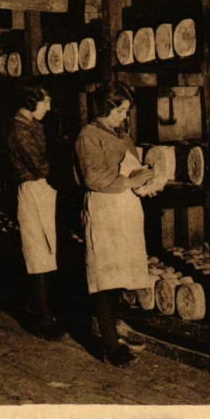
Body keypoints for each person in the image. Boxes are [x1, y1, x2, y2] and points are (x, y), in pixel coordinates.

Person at [74, 81, 154, 367]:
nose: (124, 116)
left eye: (126, 111)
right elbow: (92, 177)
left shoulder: (121, 134)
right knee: (105, 277)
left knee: (120, 275)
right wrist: (131, 181)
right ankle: (109, 346)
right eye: (120, 111)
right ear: (105, 108)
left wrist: (146, 181)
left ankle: (115, 333)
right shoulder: (88, 136)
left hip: (125, 208)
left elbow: (132, 168)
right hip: (105, 208)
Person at [6, 85, 65, 340]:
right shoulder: (19, 130)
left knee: (47, 252)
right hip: (32, 190)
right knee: (38, 253)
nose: (49, 108)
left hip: (42, 190)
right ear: (32, 101)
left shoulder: (31, 124)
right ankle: (42, 317)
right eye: (46, 102)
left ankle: (44, 309)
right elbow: (39, 166)